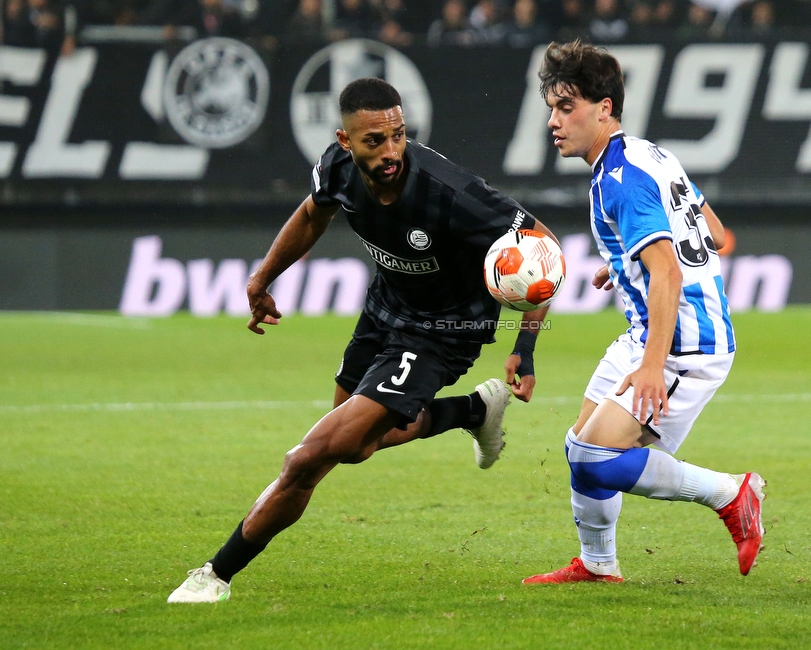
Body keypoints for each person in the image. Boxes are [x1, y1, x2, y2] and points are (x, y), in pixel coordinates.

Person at [168, 78, 554, 603]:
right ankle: (471, 411)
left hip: (443, 332)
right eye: (374, 140)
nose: (391, 150)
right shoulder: (337, 169)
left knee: (310, 457)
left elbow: (542, 245)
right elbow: (311, 213)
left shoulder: (451, 191)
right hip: (383, 311)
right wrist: (263, 279)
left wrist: (524, 347)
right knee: (358, 445)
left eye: (398, 135)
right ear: (345, 141)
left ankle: (215, 575)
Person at [522, 41, 765, 585]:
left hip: (682, 345)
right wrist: (623, 258)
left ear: (604, 108)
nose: (553, 121)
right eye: (552, 108)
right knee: (579, 444)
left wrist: (653, 365)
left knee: (595, 458)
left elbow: (669, 273)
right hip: (648, 331)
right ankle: (598, 563)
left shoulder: (620, 179)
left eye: (567, 107)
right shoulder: (646, 153)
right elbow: (717, 233)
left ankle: (732, 493)